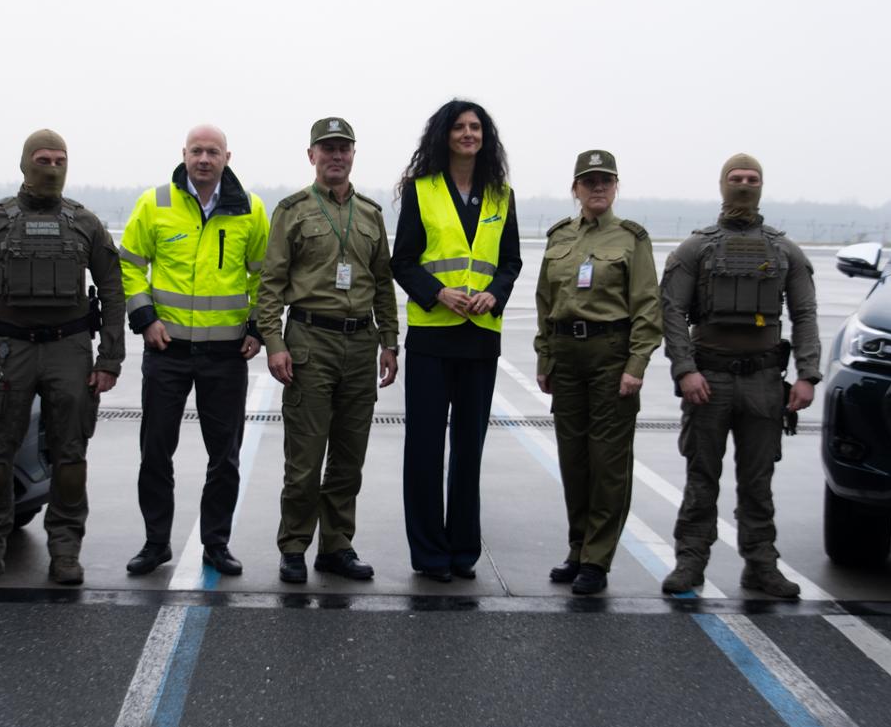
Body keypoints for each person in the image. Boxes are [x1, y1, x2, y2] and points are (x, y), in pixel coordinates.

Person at [0, 128, 125, 586]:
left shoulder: (86, 223)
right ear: (24, 163)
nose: (51, 168)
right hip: (10, 349)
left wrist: (109, 359)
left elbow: (112, 291)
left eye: (60, 160)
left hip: (69, 349)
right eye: (42, 160)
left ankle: (65, 550)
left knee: (70, 454)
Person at [659, 153, 820, 598]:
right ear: (722, 184)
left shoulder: (785, 250)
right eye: (736, 178)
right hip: (709, 381)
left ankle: (761, 565)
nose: (744, 185)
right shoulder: (696, 248)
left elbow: (804, 312)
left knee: (757, 480)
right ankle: (690, 563)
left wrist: (808, 373)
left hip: (765, 383)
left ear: (762, 185)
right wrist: (685, 370)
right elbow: (671, 311)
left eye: (752, 178)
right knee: (701, 477)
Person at [119, 124, 268, 577]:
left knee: (224, 455)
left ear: (227, 157)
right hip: (168, 351)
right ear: (183, 154)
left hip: (226, 354)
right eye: (197, 151)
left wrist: (257, 328)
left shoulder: (251, 210)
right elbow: (128, 264)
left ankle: (216, 544)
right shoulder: (155, 203)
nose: (204, 159)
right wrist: (145, 318)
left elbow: (266, 276)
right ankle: (155, 542)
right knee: (156, 450)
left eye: (213, 152)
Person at [256, 117, 400, 584]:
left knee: (348, 456)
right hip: (309, 343)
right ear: (311, 155)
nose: (336, 156)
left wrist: (390, 342)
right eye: (327, 149)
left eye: (344, 149)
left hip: (360, 345)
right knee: (304, 458)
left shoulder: (372, 215)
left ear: (354, 154)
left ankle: (336, 545)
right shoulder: (293, 211)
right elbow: (271, 285)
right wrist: (274, 343)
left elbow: (383, 285)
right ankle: (294, 545)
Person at [390, 99, 523, 583]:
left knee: (470, 450)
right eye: (460, 127)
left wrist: (494, 295)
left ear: (485, 136)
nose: (469, 134)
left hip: (480, 339)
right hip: (431, 335)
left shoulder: (500, 195)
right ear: (444, 135)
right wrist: (438, 292)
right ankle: (429, 553)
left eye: (476, 127)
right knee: (424, 449)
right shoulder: (420, 190)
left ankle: (463, 550)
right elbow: (402, 261)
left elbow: (510, 262)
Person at [533, 150, 662, 595]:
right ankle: (577, 547)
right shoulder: (559, 236)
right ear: (576, 189)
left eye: (605, 180)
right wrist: (545, 358)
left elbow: (648, 306)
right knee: (574, 460)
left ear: (616, 185)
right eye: (589, 182)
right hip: (567, 356)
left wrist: (636, 365)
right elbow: (545, 303)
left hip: (611, 354)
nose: (598, 188)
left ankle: (597, 558)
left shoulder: (631, 239)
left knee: (608, 463)